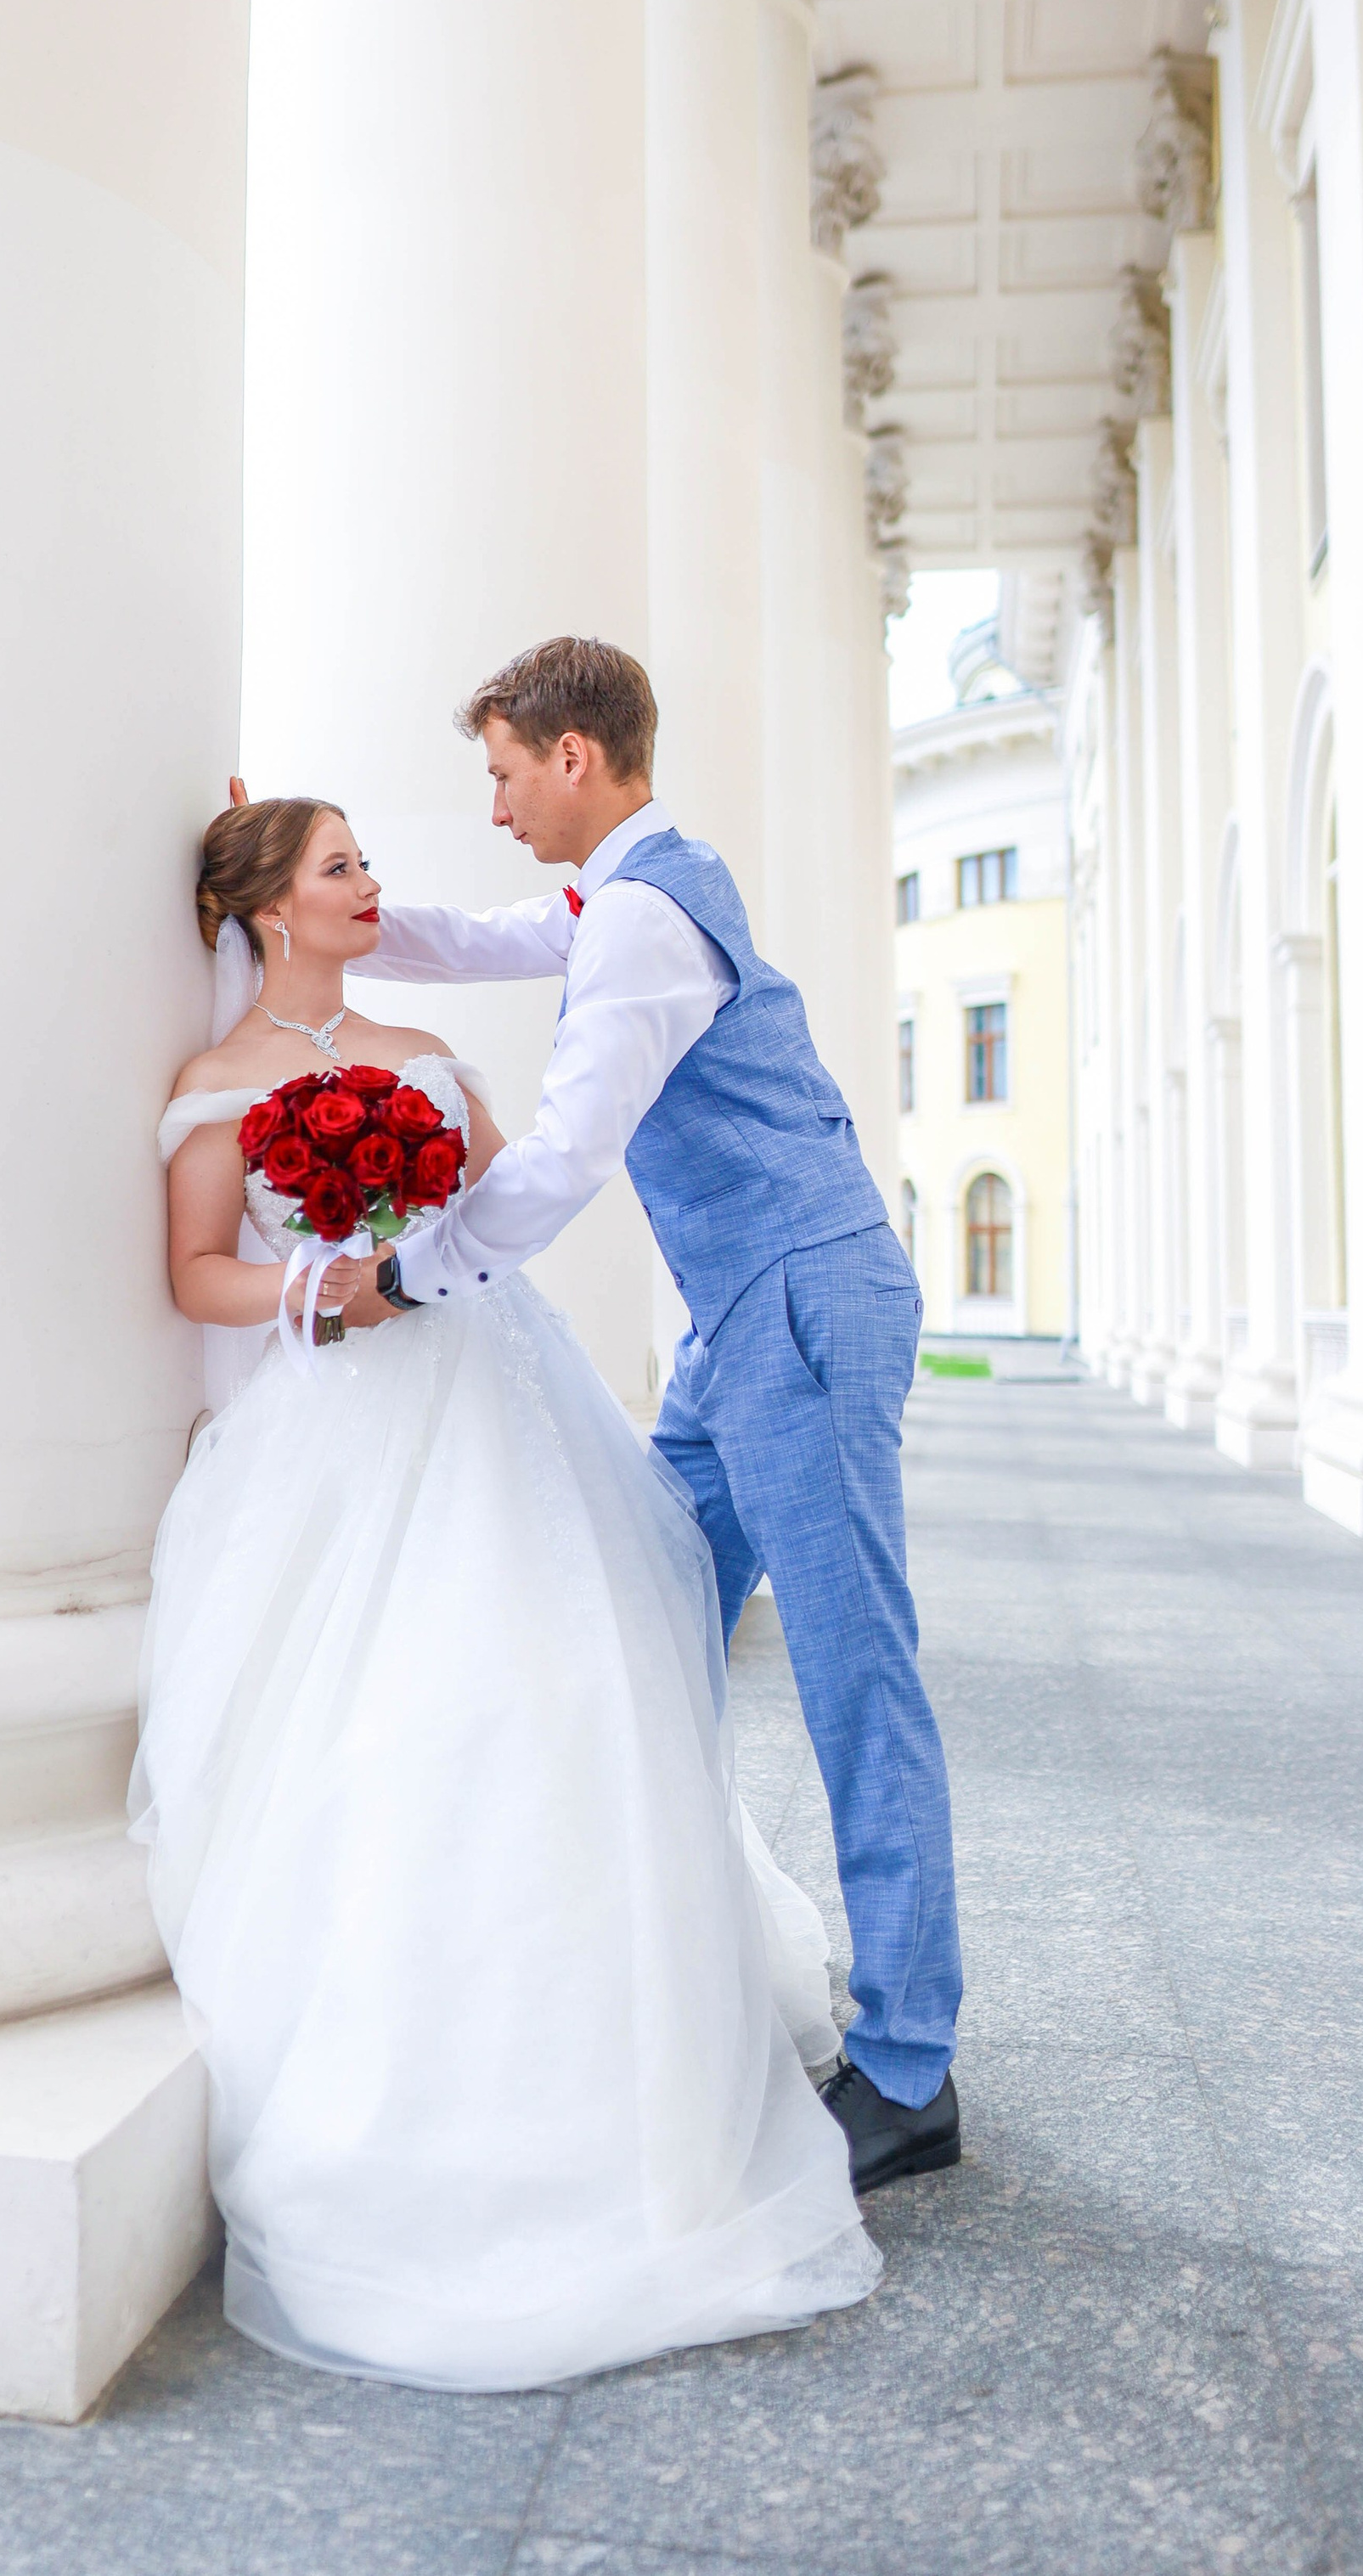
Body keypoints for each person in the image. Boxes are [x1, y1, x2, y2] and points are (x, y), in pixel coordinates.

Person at [128, 789, 880, 2392]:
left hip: (488, 1398)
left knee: (548, 1704)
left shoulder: (429, 1052)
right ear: (273, 909)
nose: (375, 888)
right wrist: (323, 1276)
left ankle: (599, 2069)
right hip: (332, 1422)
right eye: (342, 868)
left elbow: (496, 1217)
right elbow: (198, 1272)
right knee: (381, 1730)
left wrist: (410, 1241)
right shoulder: (215, 1089)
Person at [356, 636, 963, 2194]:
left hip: (798, 1308)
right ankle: (649, 1972)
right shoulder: (627, 889)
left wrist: (415, 1270)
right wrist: (323, 915)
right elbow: (479, 937)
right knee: (637, 1614)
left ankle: (908, 2064)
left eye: (500, 771)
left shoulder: (636, 915)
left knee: (853, 1676)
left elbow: (563, 1153)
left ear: (573, 755)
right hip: (742, 1321)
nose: (491, 804)